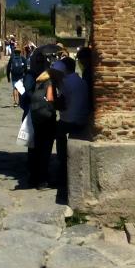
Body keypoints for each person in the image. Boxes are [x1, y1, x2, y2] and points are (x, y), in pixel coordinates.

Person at [51, 56, 90, 190]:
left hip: (70, 120)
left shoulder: (65, 83)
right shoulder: (80, 80)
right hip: (82, 118)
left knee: (56, 132)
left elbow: (60, 105)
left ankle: (62, 160)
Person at [23, 52, 57, 189]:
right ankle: (42, 180)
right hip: (46, 117)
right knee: (45, 149)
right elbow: (50, 99)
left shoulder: (30, 76)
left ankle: (33, 177)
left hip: (31, 115)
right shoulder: (48, 78)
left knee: (33, 148)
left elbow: (25, 95)